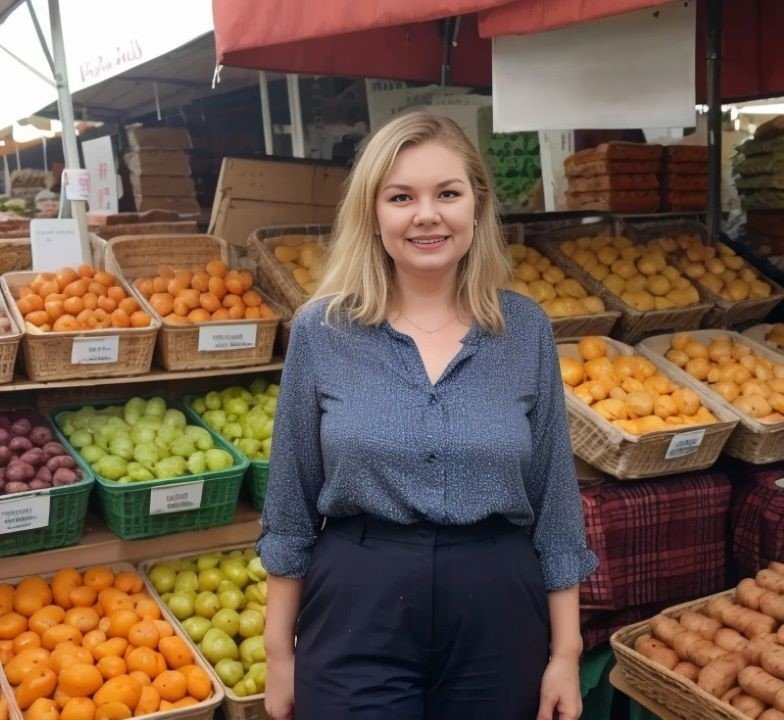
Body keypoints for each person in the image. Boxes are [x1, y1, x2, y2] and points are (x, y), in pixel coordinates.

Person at [259, 111, 599, 720]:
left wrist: (566, 652)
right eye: (401, 197)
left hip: (497, 608)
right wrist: (278, 653)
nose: (426, 215)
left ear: (477, 205)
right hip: (357, 602)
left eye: (447, 193)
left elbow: (555, 503)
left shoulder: (524, 330)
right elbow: (290, 505)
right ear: (372, 213)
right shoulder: (322, 331)